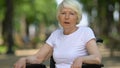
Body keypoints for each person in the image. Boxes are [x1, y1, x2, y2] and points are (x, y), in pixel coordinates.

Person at [14, 0, 102, 68]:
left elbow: (97, 58)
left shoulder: (85, 32)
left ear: (77, 17)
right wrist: (24, 59)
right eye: (63, 13)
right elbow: (38, 58)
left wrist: (81, 59)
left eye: (71, 13)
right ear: (58, 17)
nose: (67, 17)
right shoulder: (55, 35)